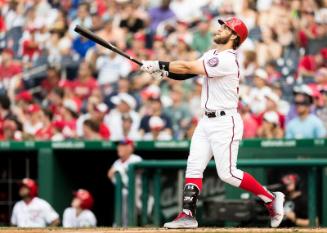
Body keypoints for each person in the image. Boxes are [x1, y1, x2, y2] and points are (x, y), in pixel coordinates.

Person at [141, 17, 285, 228]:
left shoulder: (227, 59)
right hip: (206, 120)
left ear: (234, 36)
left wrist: (159, 63)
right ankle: (187, 215)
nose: (220, 28)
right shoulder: (212, 54)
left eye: (226, 27)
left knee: (227, 174)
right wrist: (164, 73)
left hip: (225, 121)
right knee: (194, 166)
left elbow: (187, 65)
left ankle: (271, 198)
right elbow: (189, 72)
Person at [107, 139, 142, 227]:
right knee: (122, 220)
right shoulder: (117, 162)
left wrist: (118, 170)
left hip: (138, 194)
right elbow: (109, 174)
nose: (119, 148)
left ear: (130, 148)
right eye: (119, 146)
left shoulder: (136, 159)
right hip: (124, 193)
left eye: (122, 146)